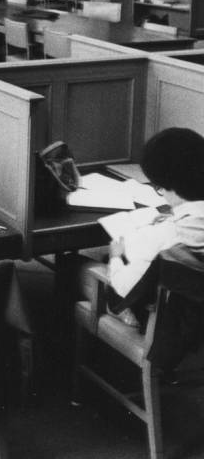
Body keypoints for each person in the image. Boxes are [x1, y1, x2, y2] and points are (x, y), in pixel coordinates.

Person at [96, 128, 204, 327]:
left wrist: (116, 257)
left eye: (158, 187)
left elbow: (125, 288)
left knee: (88, 266)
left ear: (168, 184)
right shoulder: (181, 225)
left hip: (169, 327)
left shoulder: (165, 237)